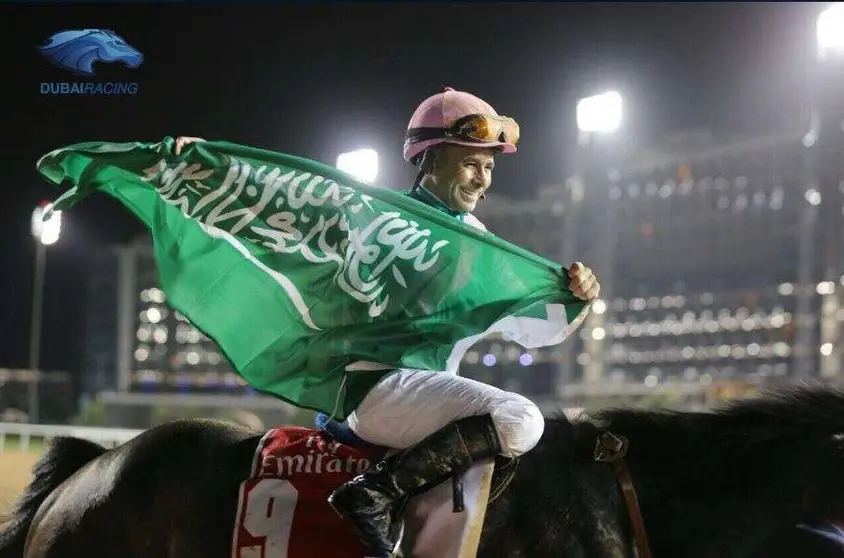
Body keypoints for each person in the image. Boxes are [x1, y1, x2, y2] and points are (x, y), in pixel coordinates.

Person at [173, 87, 600, 557]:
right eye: (470, 163)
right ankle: (372, 493)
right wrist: (207, 165)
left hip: (423, 390)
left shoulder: (478, 243)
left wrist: (576, 292)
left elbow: (531, 326)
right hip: (373, 389)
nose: (482, 179)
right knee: (521, 418)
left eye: (489, 167)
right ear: (430, 159)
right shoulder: (373, 213)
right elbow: (282, 201)